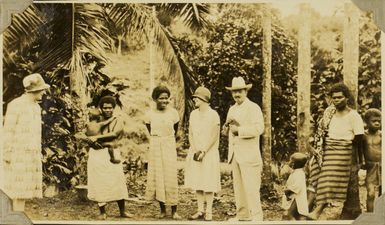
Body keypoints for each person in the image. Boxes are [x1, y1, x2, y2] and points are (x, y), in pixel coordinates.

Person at [308, 83, 365, 219]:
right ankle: (305, 207)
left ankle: (318, 210)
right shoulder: (329, 113)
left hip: (343, 149)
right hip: (327, 147)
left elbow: (359, 138)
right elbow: (320, 132)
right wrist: (316, 149)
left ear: (346, 98)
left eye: (340, 97)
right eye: (334, 98)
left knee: (328, 176)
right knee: (314, 172)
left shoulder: (354, 116)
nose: (337, 100)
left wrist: (358, 160)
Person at [2, 73, 50, 211]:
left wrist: (37, 151)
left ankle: (17, 215)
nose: (43, 93)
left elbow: (36, 133)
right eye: (42, 90)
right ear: (34, 90)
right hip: (17, 154)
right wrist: (7, 154)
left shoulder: (36, 107)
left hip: (31, 153)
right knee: (16, 190)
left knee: (23, 191)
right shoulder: (16, 105)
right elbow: (8, 131)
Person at [222, 77, 264, 221]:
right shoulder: (232, 109)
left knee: (251, 188)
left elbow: (259, 128)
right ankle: (243, 216)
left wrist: (239, 131)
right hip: (235, 153)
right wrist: (225, 130)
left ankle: (257, 218)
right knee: (239, 188)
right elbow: (229, 130)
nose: (236, 94)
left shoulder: (254, 108)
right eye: (234, 92)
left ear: (246, 91)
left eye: (239, 91)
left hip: (249, 154)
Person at [85, 96, 131, 220]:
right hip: (97, 154)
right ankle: (102, 212)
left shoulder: (117, 120)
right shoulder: (96, 120)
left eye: (110, 108)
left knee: (117, 180)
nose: (107, 110)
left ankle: (122, 211)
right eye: (105, 108)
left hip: (112, 152)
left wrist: (97, 138)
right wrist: (90, 140)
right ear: (101, 108)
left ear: (113, 108)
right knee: (100, 181)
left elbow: (115, 133)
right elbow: (89, 134)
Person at [144, 85, 181, 220]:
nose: (165, 101)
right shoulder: (149, 114)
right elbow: (149, 129)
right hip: (155, 146)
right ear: (155, 99)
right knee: (158, 177)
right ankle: (162, 210)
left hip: (169, 145)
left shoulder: (173, 113)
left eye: (167, 98)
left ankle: (174, 210)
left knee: (170, 176)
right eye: (161, 98)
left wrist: (166, 140)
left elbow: (175, 130)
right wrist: (157, 140)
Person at [184, 87, 221, 221]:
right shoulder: (193, 114)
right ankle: (200, 210)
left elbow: (214, 135)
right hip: (195, 152)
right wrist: (195, 150)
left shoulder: (213, 115)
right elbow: (191, 134)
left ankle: (209, 211)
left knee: (208, 182)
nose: (194, 100)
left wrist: (204, 150)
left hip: (209, 153)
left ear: (204, 99)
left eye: (197, 98)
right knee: (198, 181)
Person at [363, 108, 381, 212]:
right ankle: (370, 216)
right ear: (366, 122)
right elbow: (359, 151)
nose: (377, 123)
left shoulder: (381, 135)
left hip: (382, 165)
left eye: (379, 121)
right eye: (374, 121)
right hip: (371, 168)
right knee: (370, 194)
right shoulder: (363, 136)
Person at [281, 152, 309, 220]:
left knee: (289, 215)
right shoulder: (295, 172)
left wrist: (287, 190)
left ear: (293, 164)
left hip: (297, 199)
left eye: (290, 160)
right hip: (294, 198)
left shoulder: (299, 174)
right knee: (297, 216)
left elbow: (297, 187)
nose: (289, 162)